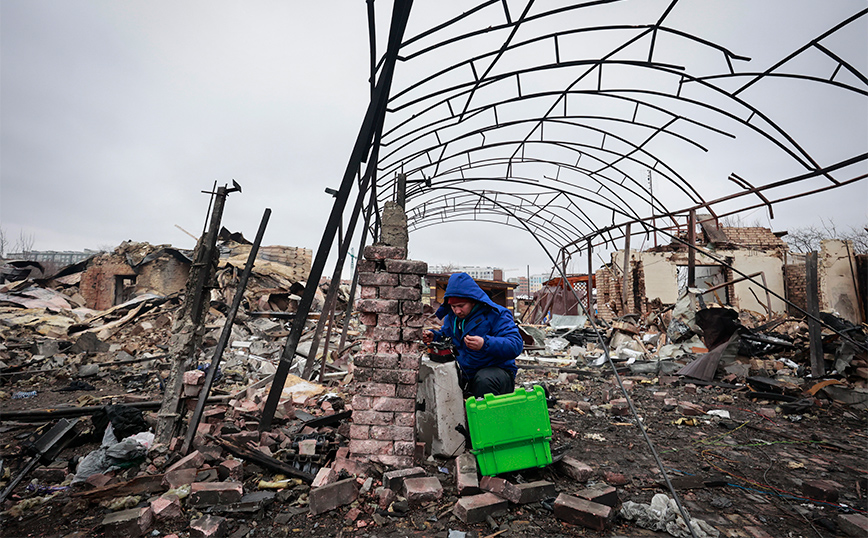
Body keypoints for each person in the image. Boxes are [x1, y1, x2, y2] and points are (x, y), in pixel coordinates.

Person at [422, 272, 524, 398]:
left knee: (484, 380)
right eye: (453, 306)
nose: (457, 311)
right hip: (466, 372)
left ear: (473, 301)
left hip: (497, 373)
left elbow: (515, 345)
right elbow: (446, 335)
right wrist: (435, 336)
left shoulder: (497, 314)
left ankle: (487, 416)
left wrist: (484, 343)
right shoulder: (451, 318)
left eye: (461, 306)